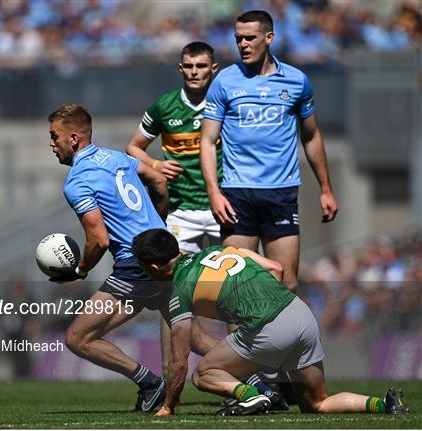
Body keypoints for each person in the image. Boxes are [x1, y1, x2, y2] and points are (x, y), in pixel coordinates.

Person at [131, 228, 410, 417]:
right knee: (317, 403)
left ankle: (251, 394)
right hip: (301, 314)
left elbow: (179, 360)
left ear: (153, 267)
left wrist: (170, 404)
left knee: (202, 374)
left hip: (269, 328)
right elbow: (276, 268)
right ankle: (384, 404)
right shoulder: (219, 251)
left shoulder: (180, 290)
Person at [47, 104, 216, 412]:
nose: (51, 143)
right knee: (193, 335)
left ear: (73, 138)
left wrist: (80, 270)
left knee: (77, 338)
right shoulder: (116, 157)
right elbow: (160, 182)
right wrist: (156, 229)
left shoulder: (77, 181)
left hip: (135, 266)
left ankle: (150, 383)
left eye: (54, 136)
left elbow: (99, 240)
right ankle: (257, 383)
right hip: (165, 254)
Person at [200, 10, 338, 290]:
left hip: (281, 192)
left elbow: (310, 135)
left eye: (250, 38)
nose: (243, 45)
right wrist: (214, 192)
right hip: (237, 193)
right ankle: (239, 337)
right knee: (235, 287)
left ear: (269, 38)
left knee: (286, 284)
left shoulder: (297, 81)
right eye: (239, 39)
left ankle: (277, 336)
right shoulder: (225, 82)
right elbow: (206, 141)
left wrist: (325, 188)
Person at [126, 41, 224, 378]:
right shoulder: (165, 106)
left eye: (201, 66)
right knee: (173, 300)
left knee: (237, 292)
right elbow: (133, 147)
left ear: (214, 69)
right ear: (180, 69)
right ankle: (171, 379)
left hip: (223, 208)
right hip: (181, 212)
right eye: (189, 66)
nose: (195, 72)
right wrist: (155, 163)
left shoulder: (227, 100)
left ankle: (254, 374)